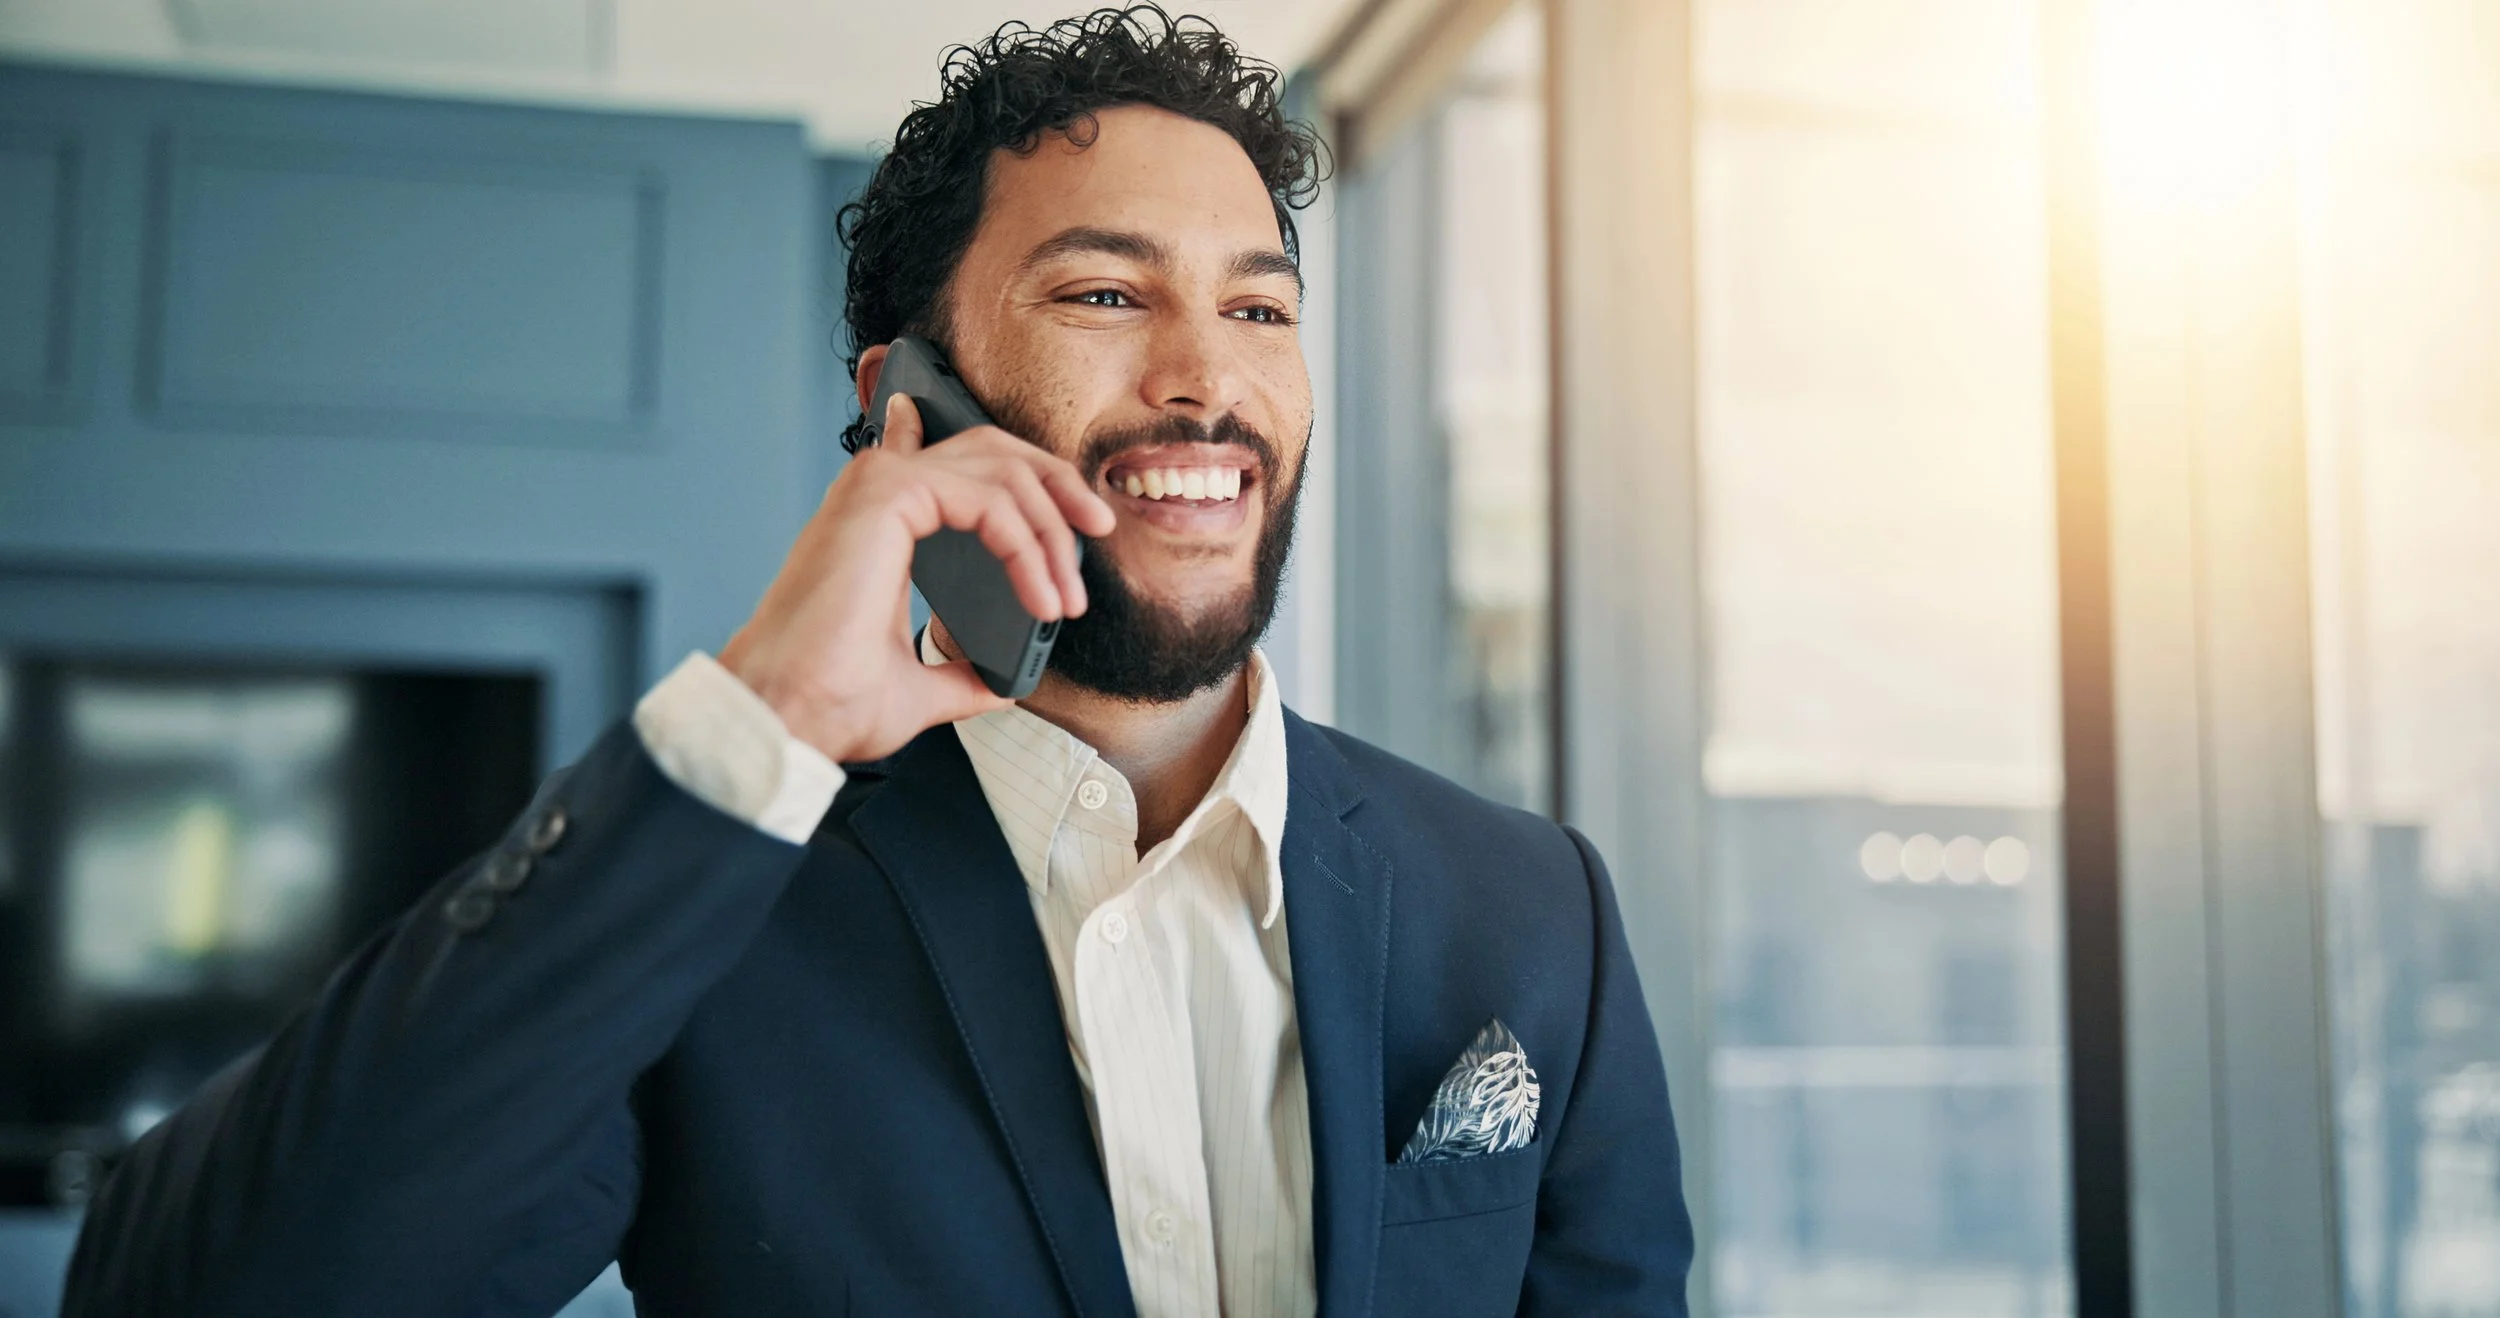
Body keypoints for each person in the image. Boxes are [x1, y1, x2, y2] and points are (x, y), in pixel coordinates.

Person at [61, 8, 1693, 1315]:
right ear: (909, 394)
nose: (1209, 382)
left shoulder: (1535, 908)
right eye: (1108, 292)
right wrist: (764, 718)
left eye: (1261, 312)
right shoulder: (707, 905)